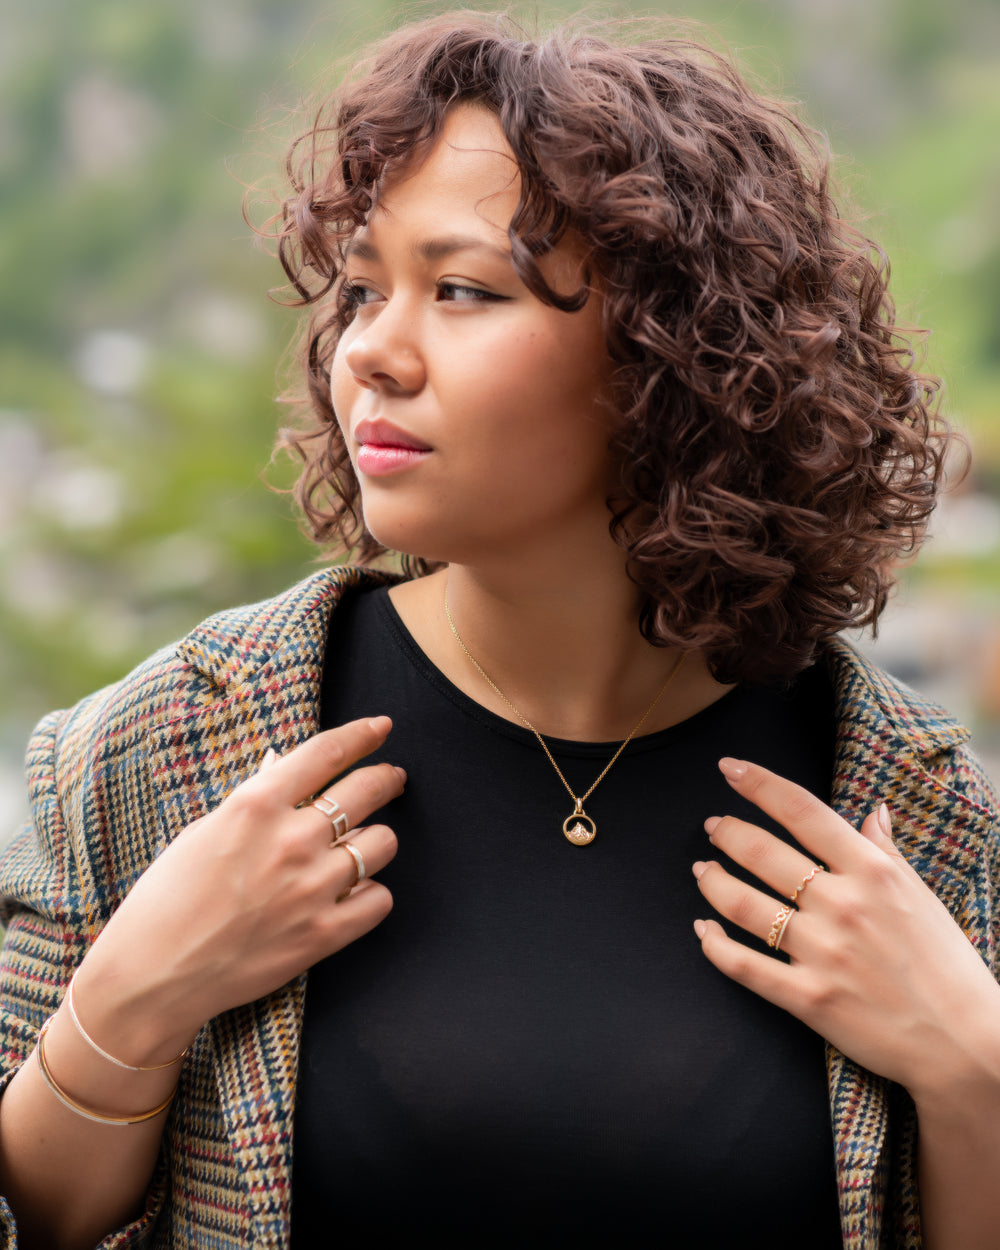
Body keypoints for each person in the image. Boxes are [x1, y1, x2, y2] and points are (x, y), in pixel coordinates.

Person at [0, 11, 997, 1249]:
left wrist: (974, 1069)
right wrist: (130, 1000)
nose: (370, 350)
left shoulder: (913, 810)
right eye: (365, 288)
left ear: (672, 355)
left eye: (460, 290)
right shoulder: (163, 750)